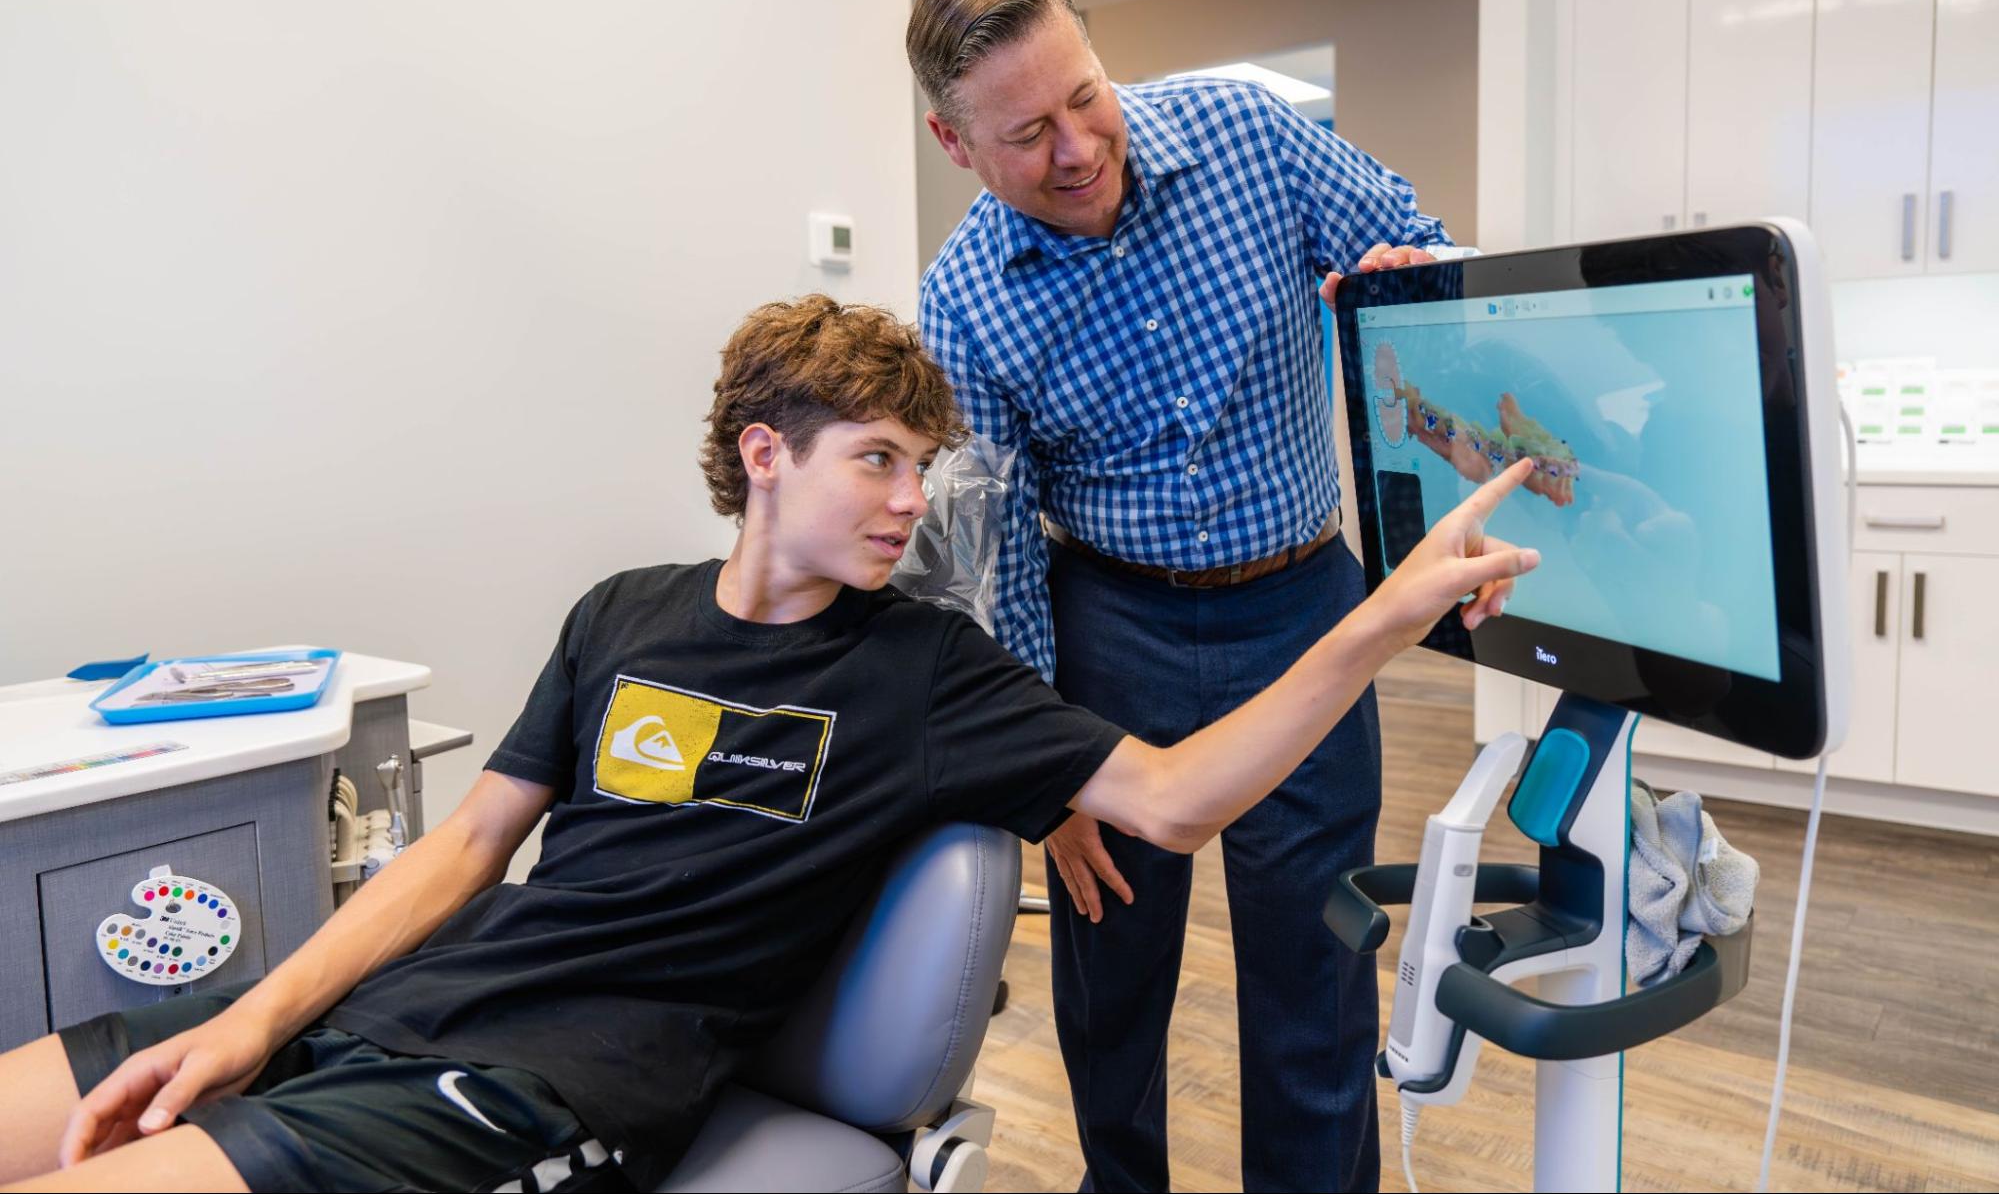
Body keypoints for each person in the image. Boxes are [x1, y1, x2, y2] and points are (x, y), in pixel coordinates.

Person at [0, 298, 1533, 1194]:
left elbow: (1177, 797)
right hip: (391, 1005)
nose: (908, 502)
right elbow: (466, 847)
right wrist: (253, 1019)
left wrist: (1380, 614)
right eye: (875, 460)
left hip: (536, 1082)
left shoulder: (924, 670)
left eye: (920, 467)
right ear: (763, 455)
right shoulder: (621, 611)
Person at [908, 0, 1452, 1191]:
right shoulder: (965, 303)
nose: (1077, 149)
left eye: (1084, 96)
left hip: (1302, 611)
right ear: (955, 142)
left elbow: (1421, 258)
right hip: (1109, 628)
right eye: (1027, 133)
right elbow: (1000, 555)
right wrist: (1045, 775)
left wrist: (1407, 289)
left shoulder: (1248, 135)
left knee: (1315, 965)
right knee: (1109, 967)